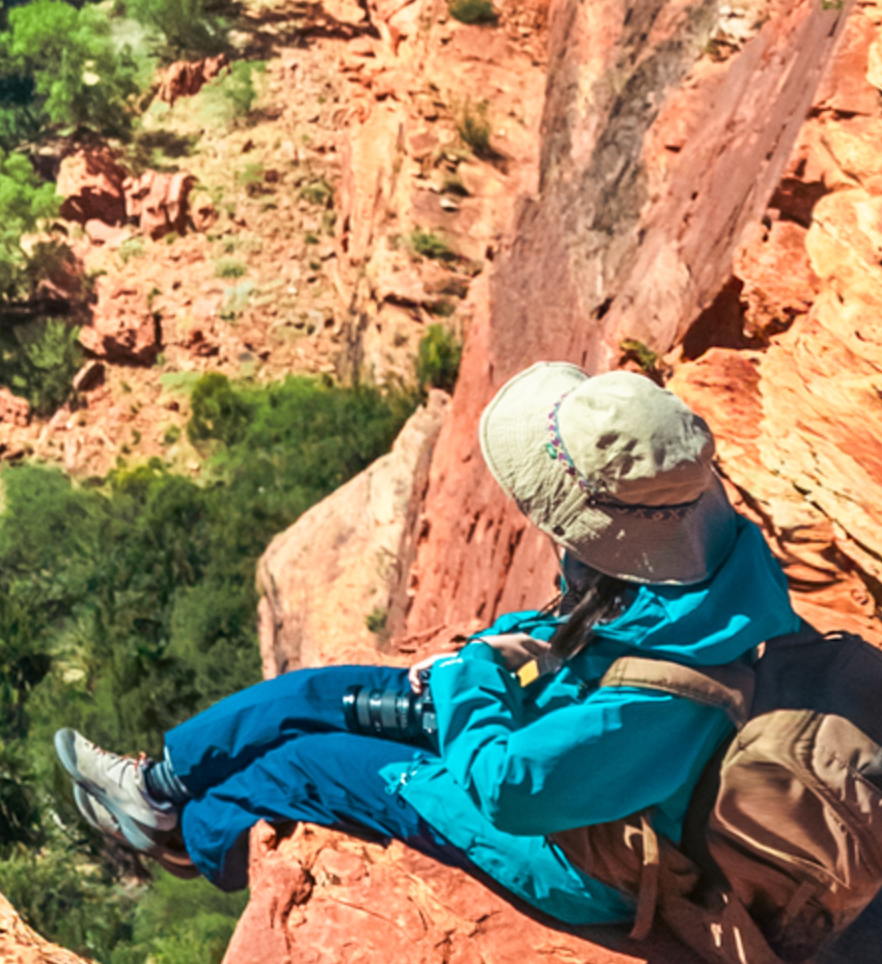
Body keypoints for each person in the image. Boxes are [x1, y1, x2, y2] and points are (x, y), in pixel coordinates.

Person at [55, 362, 801, 929]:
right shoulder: (699, 543)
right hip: (565, 738)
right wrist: (507, 651)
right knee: (318, 695)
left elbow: (511, 789)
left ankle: (184, 837)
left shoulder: (661, 699)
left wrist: (474, 675)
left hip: (584, 852)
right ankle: (158, 786)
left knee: (304, 765)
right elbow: (609, 624)